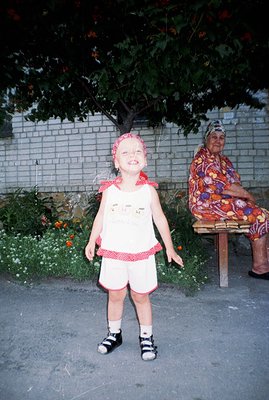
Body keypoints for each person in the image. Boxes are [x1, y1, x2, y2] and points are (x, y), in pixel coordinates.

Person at [85, 132, 184, 361]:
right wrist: (92, 241)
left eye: (138, 151)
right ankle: (114, 334)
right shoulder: (109, 191)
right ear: (116, 162)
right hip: (114, 254)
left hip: (141, 255)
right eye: (126, 152)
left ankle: (146, 338)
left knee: (140, 297)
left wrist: (169, 248)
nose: (133, 155)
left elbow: (160, 219)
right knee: (116, 294)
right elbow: (100, 218)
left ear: (145, 160)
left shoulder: (149, 191)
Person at [189, 120, 269, 280]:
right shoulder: (202, 159)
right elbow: (223, 186)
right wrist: (248, 196)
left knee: (263, 214)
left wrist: (243, 198)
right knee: (260, 216)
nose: (218, 141)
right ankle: (260, 267)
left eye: (221, 137)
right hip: (206, 205)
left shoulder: (223, 160)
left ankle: (263, 262)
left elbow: (235, 182)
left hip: (222, 202)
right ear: (207, 139)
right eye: (214, 137)